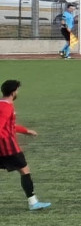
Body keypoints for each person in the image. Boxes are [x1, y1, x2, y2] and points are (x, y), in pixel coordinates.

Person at [0, 80, 51, 211]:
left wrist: (26, 131)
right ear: (13, 92)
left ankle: (33, 202)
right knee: (24, 170)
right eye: (17, 90)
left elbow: (9, 126)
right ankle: (33, 202)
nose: (18, 92)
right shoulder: (7, 107)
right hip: (8, 147)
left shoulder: (3, 105)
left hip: (4, 146)